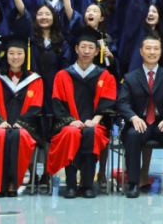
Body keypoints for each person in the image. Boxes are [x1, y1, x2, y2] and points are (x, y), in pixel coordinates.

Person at [47, 27, 117, 199]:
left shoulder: (105, 76)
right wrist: (71, 121)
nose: (86, 51)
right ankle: (71, 184)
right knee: (71, 133)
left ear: (97, 51)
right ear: (76, 49)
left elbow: (108, 102)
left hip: (96, 123)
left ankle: (87, 185)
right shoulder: (63, 75)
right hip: (68, 123)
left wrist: (95, 120)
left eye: (90, 47)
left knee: (91, 133)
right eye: (83, 47)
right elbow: (57, 103)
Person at [117, 35, 163, 198]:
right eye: (148, 48)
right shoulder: (130, 77)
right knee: (132, 135)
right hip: (139, 122)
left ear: (161, 52)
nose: (152, 52)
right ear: (141, 51)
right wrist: (133, 117)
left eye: (156, 48)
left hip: (162, 122)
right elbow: (122, 103)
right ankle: (133, 183)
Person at [0, 37, 43, 197]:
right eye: (11, 53)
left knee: (20, 136)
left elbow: (36, 106)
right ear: (5, 55)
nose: (15, 57)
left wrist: (22, 123)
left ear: (26, 55)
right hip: (0, 125)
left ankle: (14, 182)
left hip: (25, 126)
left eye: (19, 53)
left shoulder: (35, 80)